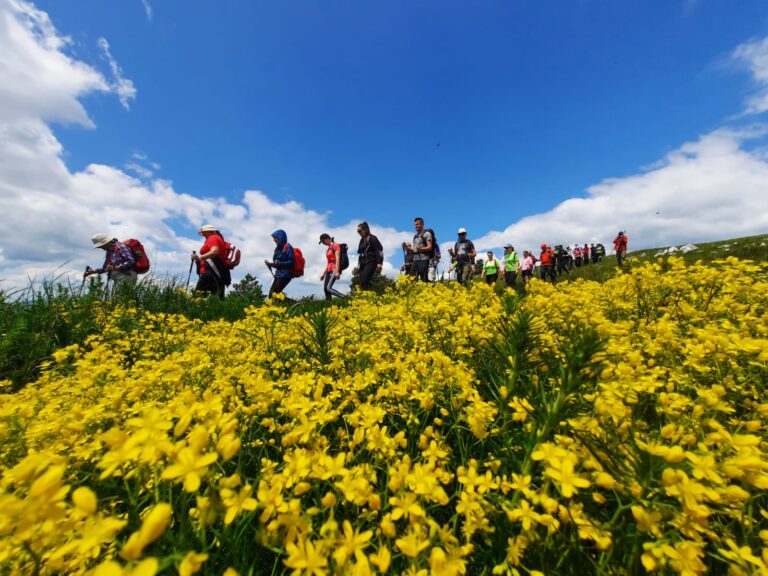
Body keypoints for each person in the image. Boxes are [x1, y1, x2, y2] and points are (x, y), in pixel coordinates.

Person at [191, 224, 230, 299]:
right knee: (216, 299)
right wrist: (198, 258)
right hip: (218, 272)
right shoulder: (219, 239)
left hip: (210, 273)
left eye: (204, 233)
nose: (203, 235)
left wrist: (200, 257)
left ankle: (194, 310)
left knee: (198, 298)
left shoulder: (212, 238)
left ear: (209, 231)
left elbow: (215, 251)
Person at [265, 229, 295, 298]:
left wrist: (280, 263)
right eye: (273, 238)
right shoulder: (277, 249)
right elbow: (278, 264)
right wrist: (270, 264)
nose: (274, 240)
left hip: (285, 275)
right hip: (279, 275)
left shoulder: (288, 247)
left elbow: (291, 262)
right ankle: (297, 304)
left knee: (274, 296)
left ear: (280, 238)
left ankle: (298, 304)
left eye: (275, 238)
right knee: (273, 296)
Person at [356, 221, 383, 290]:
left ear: (365, 230)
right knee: (362, 281)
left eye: (359, 231)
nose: (358, 233)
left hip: (371, 261)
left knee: (365, 279)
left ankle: (368, 296)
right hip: (363, 262)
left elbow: (378, 250)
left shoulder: (372, 238)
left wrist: (379, 263)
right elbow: (359, 251)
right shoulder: (362, 240)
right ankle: (364, 297)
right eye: (357, 231)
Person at [404, 217, 433, 282]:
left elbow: (430, 247)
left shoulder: (427, 234)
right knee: (411, 277)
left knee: (424, 278)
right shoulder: (415, 236)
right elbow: (414, 249)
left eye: (417, 224)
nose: (415, 226)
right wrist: (406, 247)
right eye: (415, 225)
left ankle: (431, 289)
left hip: (424, 259)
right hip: (415, 259)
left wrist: (421, 248)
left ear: (422, 224)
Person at [319, 233, 345, 301]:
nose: (323, 243)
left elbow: (338, 258)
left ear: (327, 238)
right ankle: (329, 307)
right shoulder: (328, 250)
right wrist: (323, 273)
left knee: (328, 288)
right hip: (329, 270)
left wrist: (337, 271)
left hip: (334, 268)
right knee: (325, 289)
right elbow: (328, 263)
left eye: (323, 241)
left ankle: (346, 298)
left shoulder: (335, 245)